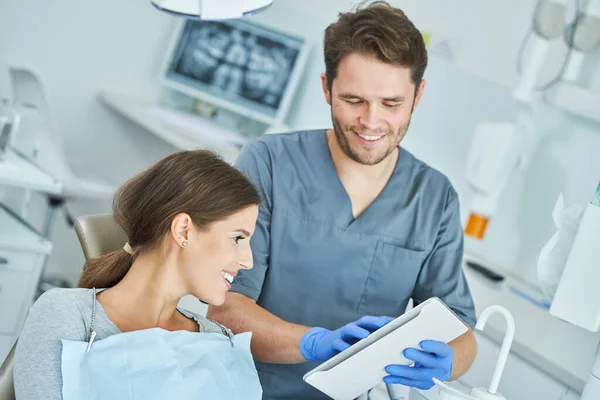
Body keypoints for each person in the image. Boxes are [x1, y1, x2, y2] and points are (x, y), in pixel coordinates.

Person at [207, 2, 478, 398]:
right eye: (354, 100)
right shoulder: (267, 163)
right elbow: (224, 304)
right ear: (326, 87)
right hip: (246, 387)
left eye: (391, 103)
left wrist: (450, 361)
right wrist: (312, 343)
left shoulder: (433, 198)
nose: (371, 121)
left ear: (418, 95)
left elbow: (460, 329)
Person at [14, 150, 265, 400]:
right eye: (238, 238)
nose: (248, 261)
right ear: (184, 230)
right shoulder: (68, 316)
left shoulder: (219, 341)